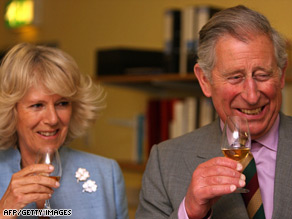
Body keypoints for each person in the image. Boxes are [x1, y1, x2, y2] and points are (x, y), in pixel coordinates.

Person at [136, 5, 291, 219]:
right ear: (205, 81)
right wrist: (189, 212)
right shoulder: (165, 162)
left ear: (281, 75)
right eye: (235, 77)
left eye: (263, 75)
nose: (252, 95)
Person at [0, 43, 129, 219]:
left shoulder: (106, 173)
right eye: (37, 105)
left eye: (62, 103)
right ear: (10, 111)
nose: (53, 119)